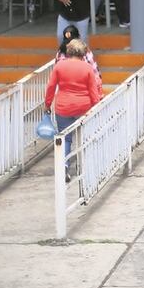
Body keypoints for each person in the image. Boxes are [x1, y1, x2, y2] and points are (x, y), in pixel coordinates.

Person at [45, 39, 102, 181]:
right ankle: (87, 167)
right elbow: (93, 91)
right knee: (86, 136)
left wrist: (47, 104)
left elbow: (51, 87)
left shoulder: (59, 66)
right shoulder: (87, 68)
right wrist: (97, 107)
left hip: (63, 108)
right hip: (84, 107)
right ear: (83, 53)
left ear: (68, 51)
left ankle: (64, 166)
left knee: (66, 139)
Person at [56, 25, 102, 98]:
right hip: (84, 94)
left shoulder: (60, 53)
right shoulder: (85, 51)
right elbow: (95, 73)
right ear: (78, 37)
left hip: (65, 95)